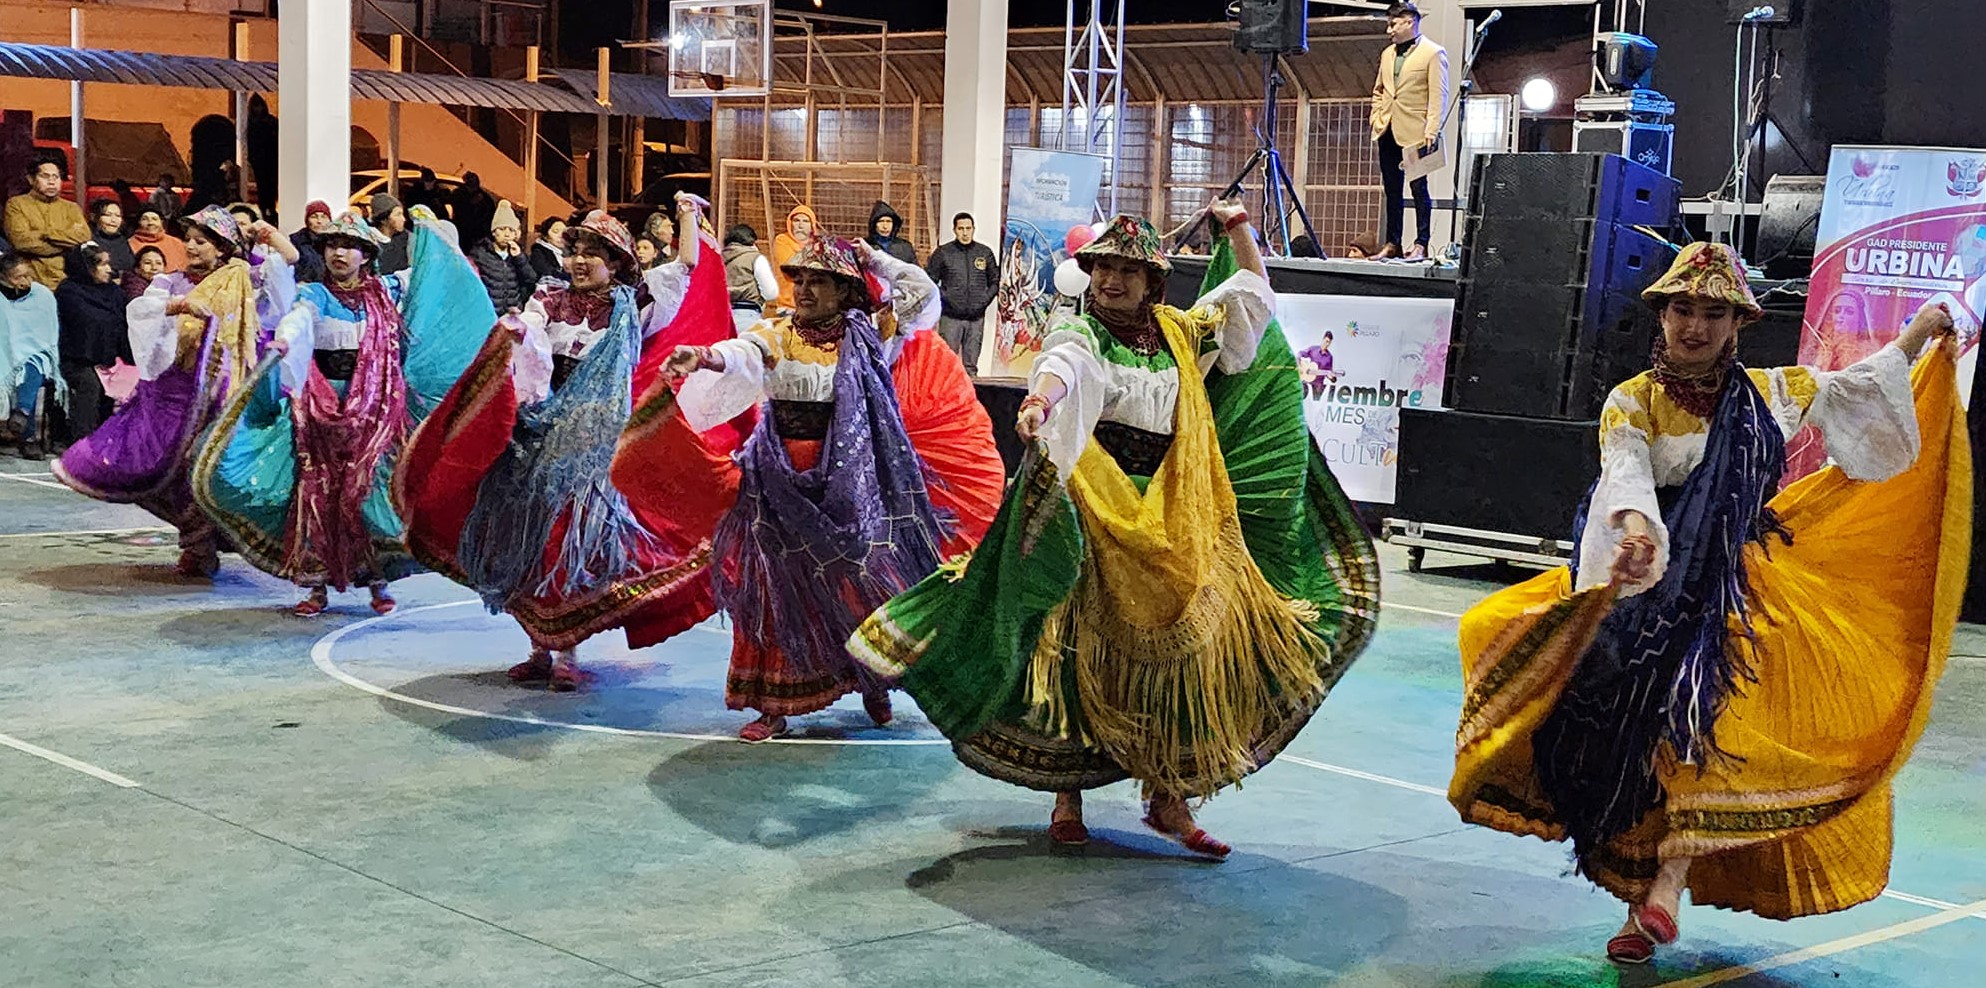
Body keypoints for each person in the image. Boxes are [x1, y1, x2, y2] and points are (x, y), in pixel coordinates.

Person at [1446, 243, 1968, 965]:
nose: (1695, 325)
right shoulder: (1631, 399)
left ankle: (1665, 889)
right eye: (1683, 309)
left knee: (1707, 729)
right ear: (1661, 315)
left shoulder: (1767, 393)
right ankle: (1642, 902)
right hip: (1646, 581)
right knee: (1601, 716)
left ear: (1737, 324)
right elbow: (1623, 474)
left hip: (1735, 590)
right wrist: (1633, 534)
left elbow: (1854, 388)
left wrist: (1919, 331)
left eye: (1713, 312)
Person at [848, 206, 1379, 856]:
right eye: (1102, 268)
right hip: (1090, 510)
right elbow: (1065, 365)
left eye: (1126, 270)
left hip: (1171, 517)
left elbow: (1252, 296)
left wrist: (1238, 225)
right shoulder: (1084, 334)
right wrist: (1040, 400)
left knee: (1183, 659)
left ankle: (1169, 801)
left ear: (1153, 280)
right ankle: (1066, 798)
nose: (1111, 281)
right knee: (1068, 653)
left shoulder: (1182, 334)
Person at [661, 231, 1005, 742]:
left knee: (859, 584)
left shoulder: (871, 334)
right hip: (779, 482)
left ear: (846, 290)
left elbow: (923, 295)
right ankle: (774, 704)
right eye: (800, 279)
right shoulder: (777, 332)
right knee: (778, 588)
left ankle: (872, 679)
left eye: (820, 282)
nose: (805, 290)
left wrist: (875, 259)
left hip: (852, 483)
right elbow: (742, 354)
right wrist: (703, 357)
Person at [397, 198, 740, 691]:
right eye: (575, 248)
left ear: (618, 262)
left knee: (574, 546)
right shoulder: (548, 299)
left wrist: (688, 212)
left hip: (597, 451)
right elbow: (531, 350)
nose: (580, 260)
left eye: (594, 251)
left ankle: (565, 652)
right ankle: (540, 648)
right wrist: (514, 337)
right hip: (539, 439)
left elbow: (685, 266)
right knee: (531, 542)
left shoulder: (637, 303)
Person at [194, 209, 490, 617]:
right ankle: (317, 587)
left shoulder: (387, 292)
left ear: (366, 254)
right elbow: (298, 320)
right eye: (333, 244)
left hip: (378, 409)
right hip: (321, 410)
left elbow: (437, 270)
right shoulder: (314, 294)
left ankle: (377, 579)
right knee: (317, 496)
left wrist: (428, 228)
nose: (340, 252)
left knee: (368, 497)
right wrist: (285, 340)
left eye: (349, 245)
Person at [52, 206, 298, 577]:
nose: (192, 247)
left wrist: (268, 235)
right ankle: (197, 543)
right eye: (190, 240)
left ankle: (205, 546)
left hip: (224, 391)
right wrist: (176, 306)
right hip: (174, 392)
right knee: (161, 463)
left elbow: (287, 269)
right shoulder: (173, 282)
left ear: (223, 248)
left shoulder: (243, 278)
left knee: (211, 465)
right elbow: (141, 312)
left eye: (202, 241)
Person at [1369, 1, 1448, 261]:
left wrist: (1432, 129)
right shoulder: (1387, 54)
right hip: (1388, 127)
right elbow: (1379, 89)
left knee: (1418, 187)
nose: (1389, 29)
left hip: (1416, 130)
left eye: (1393, 23)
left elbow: (1439, 94)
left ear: (1409, 21)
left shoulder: (1433, 53)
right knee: (1392, 188)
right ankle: (1393, 242)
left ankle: (1421, 243)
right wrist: (1376, 115)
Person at [55, 243, 129, 441]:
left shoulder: (114, 292)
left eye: (108, 264)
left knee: (132, 382)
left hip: (111, 357)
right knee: (91, 384)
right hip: (76, 359)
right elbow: (86, 326)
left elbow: (124, 325)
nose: (109, 269)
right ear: (86, 267)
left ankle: (112, 441)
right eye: (102, 264)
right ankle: (82, 444)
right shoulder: (68, 291)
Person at [1, 252, 64, 459]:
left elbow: (46, 337)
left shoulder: (42, 296)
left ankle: (23, 418)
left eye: (28, 275)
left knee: (34, 365)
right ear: (4, 278)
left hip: (35, 354)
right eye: (19, 277)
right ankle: (26, 434)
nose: (26, 280)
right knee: (16, 367)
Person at [925, 212, 1000, 374]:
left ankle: (970, 398)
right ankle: (944, 398)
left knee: (971, 367)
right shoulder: (943, 253)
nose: (965, 233)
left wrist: (983, 301)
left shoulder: (984, 253)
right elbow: (930, 281)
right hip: (950, 317)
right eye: (961, 229)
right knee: (946, 365)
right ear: (954, 230)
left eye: (968, 228)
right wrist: (947, 299)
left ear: (974, 229)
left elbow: (995, 281)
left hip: (976, 319)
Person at [5, 156, 93, 290]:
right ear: (31, 179)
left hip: (67, 280)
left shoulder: (71, 207)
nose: (52, 182)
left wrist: (46, 235)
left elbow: (84, 237)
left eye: (56, 177)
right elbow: (21, 241)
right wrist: (67, 242)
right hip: (32, 280)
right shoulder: (16, 204)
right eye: (45, 176)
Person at [468, 200, 536, 313]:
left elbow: (531, 279)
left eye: (511, 230)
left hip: (513, 315)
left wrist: (519, 257)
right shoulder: (480, 253)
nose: (507, 234)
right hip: (488, 314)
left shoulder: (518, 254)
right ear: (494, 232)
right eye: (502, 229)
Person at [721, 224, 779, 333]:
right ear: (752, 240)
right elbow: (770, 292)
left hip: (723, 316)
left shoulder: (719, 258)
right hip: (748, 315)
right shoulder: (755, 258)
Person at [769, 204, 817, 313]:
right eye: (796, 220)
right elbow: (791, 268)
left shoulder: (818, 244)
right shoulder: (782, 240)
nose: (800, 225)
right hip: (788, 307)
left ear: (812, 225)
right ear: (790, 223)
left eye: (805, 221)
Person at [128, 208, 187, 272]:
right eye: (145, 219)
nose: (150, 223)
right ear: (138, 222)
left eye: (154, 219)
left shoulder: (176, 243)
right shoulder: (128, 244)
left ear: (161, 222)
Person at [449, 172, 497, 250]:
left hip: (478, 235)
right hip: (462, 232)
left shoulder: (485, 198)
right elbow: (457, 208)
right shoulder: (459, 194)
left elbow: (489, 215)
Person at [288, 200, 333, 284]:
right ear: (307, 221)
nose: (319, 221)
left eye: (324, 217)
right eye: (314, 217)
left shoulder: (334, 242)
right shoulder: (297, 241)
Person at [88, 199, 134, 275]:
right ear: (93, 217)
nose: (113, 220)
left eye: (118, 216)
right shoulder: (87, 240)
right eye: (107, 215)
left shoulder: (123, 241)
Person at [369, 193, 412, 275]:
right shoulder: (370, 242)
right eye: (398, 214)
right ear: (383, 219)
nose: (403, 219)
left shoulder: (406, 239)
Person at [865, 201, 918, 265]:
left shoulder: (905, 248)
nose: (885, 226)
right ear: (874, 224)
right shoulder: (864, 246)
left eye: (888, 221)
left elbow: (915, 272)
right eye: (881, 221)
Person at [529, 216, 568, 283]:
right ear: (545, 236)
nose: (561, 236)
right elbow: (547, 273)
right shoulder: (538, 252)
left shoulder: (568, 252)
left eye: (564, 232)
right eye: (556, 231)